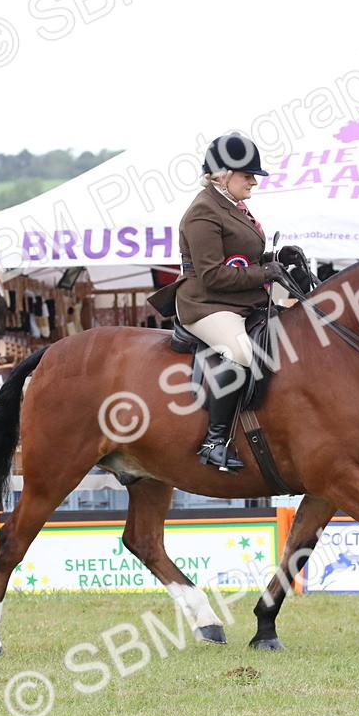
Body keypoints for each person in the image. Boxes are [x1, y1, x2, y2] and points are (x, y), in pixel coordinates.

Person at [148, 133, 290, 472]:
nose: (254, 181)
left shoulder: (232, 206)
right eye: (247, 175)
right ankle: (214, 441)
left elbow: (239, 257)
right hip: (206, 303)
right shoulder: (202, 212)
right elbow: (212, 275)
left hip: (240, 301)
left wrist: (278, 260)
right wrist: (263, 273)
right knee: (241, 352)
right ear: (223, 175)